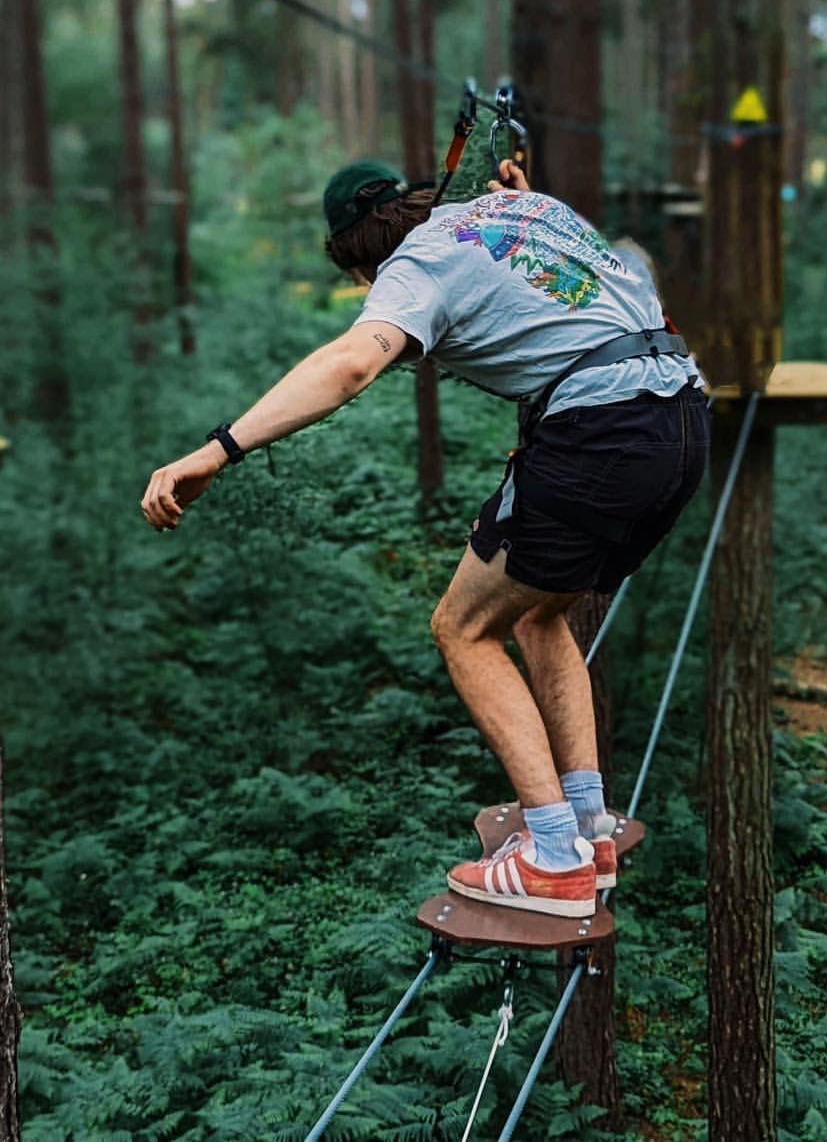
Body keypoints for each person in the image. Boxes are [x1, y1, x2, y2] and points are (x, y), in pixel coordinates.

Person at [140, 158, 710, 917]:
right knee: (539, 610)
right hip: (683, 418)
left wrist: (217, 451)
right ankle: (586, 829)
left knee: (462, 627)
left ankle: (555, 860)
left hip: (600, 432)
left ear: (357, 261)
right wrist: (528, 190)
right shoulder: (524, 209)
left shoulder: (415, 265)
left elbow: (348, 366)